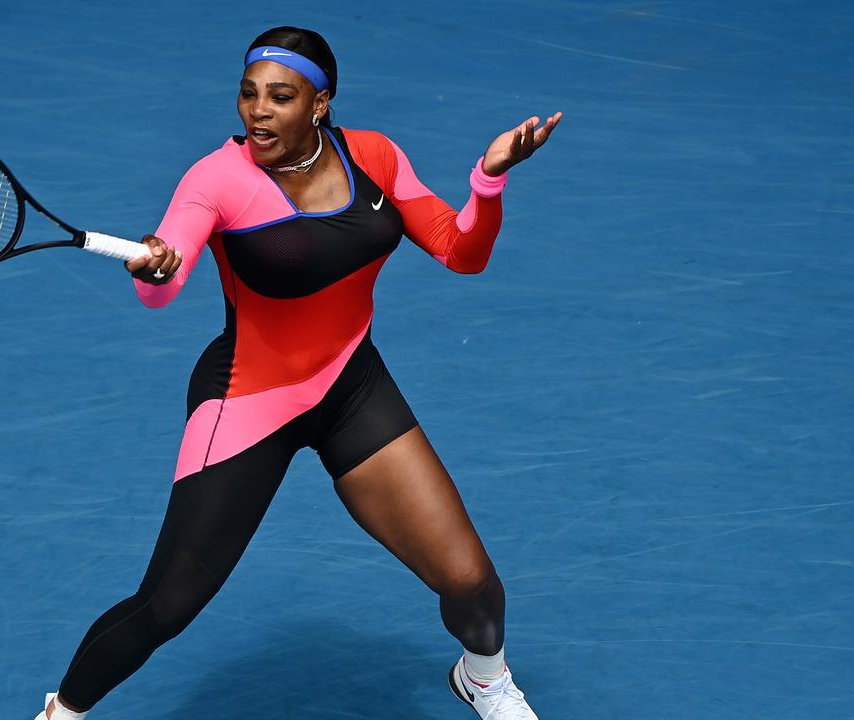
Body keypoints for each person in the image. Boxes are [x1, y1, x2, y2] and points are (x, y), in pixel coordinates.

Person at [36, 26, 561, 720]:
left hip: (351, 386)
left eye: (280, 97)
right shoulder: (215, 178)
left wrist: (488, 179)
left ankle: (484, 680)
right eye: (249, 94)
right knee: (166, 605)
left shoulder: (373, 155)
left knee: (470, 581)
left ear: (320, 104)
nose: (258, 112)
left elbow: (462, 252)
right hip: (250, 399)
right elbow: (162, 284)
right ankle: (61, 712)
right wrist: (158, 266)